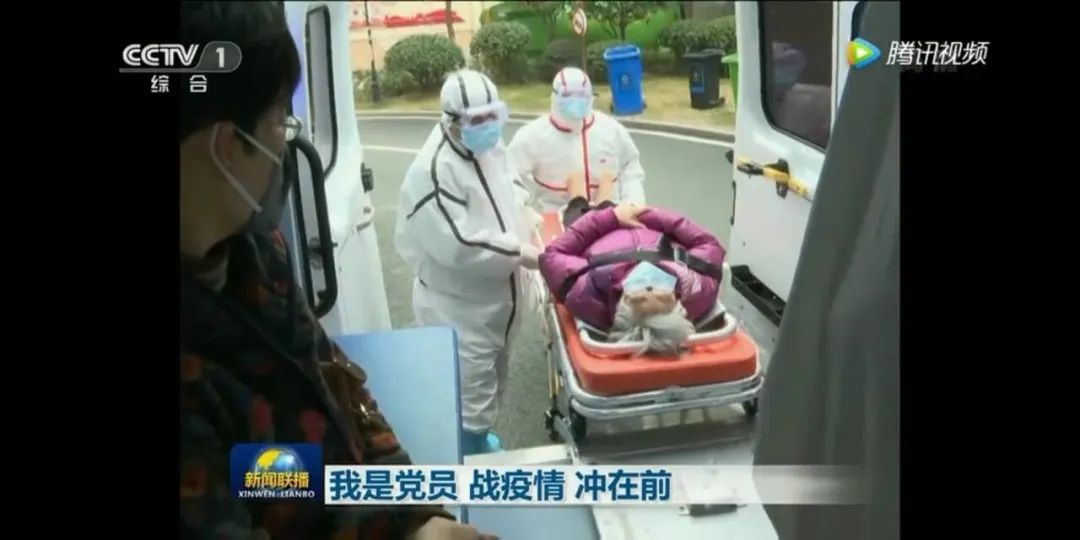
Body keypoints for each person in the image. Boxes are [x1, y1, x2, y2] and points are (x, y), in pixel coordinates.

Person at [180, 3, 495, 539]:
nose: (287, 143)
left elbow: (335, 393)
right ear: (228, 145)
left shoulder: (255, 255)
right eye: (281, 121)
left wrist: (414, 513)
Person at [394, 69, 539, 455]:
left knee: (492, 379)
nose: (489, 126)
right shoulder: (433, 171)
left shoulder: (487, 144)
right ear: (452, 120)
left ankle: (478, 436)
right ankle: (466, 452)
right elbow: (459, 244)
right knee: (467, 393)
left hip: (497, 300)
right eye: (477, 120)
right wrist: (523, 253)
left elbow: (510, 181)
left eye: (494, 115)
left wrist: (525, 212)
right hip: (460, 308)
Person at [537, 192, 725, 356]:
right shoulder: (697, 290)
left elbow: (552, 256)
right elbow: (708, 244)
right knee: (607, 195)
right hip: (646, 227)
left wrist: (612, 217)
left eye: (640, 297)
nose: (649, 287)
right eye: (661, 295)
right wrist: (646, 215)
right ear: (679, 307)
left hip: (591, 231)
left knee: (580, 201)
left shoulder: (590, 292)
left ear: (623, 306)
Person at [507, 66, 646, 213]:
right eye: (567, 94)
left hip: (611, 217)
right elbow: (511, 178)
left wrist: (632, 203)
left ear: (591, 96)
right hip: (558, 219)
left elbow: (630, 166)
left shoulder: (611, 130)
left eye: (582, 94)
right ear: (554, 96)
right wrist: (524, 212)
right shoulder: (532, 136)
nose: (575, 100)